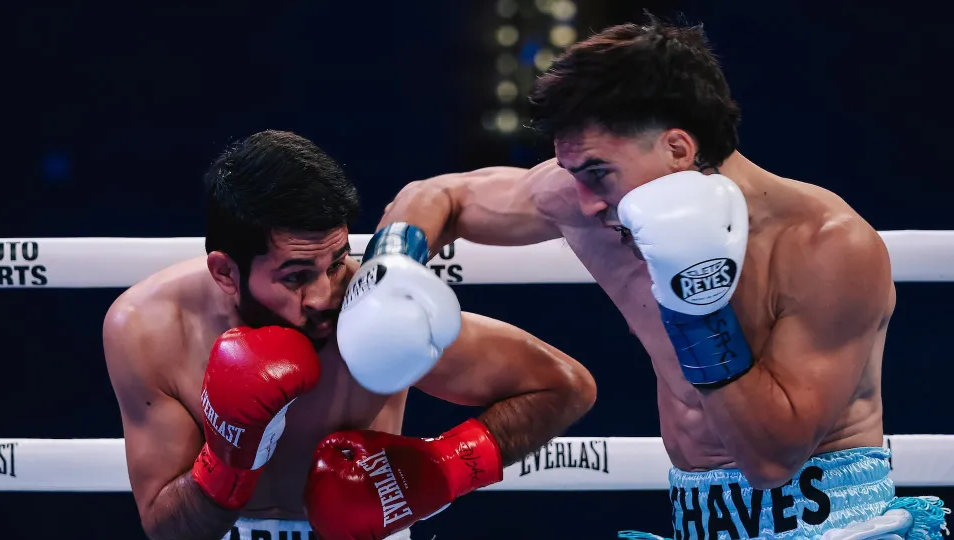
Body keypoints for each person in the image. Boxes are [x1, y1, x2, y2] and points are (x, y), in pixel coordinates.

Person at [377, 16, 949, 540]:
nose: (585, 201)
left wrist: (695, 304)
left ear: (678, 147)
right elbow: (438, 195)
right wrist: (388, 271)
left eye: (598, 172)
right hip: (693, 520)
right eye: (573, 172)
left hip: (832, 522)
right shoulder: (586, 198)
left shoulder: (827, 245)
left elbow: (771, 461)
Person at [102, 130, 597, 540]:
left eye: (336, 263)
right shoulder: (150, 328)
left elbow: (563, 387)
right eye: (296, 277)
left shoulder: (375, 314)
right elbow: (166, 528)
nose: (324, 296)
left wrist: (442, 467)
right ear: (226, 272)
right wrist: (230, 457)